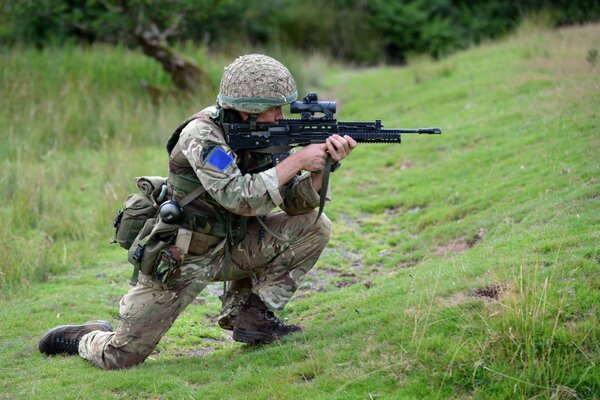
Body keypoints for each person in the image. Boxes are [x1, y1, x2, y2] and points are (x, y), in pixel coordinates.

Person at [38, 54, 357, 370]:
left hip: (235, 245)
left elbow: (290, 201)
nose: (279, 116)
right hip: (184, 255)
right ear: (247, 109)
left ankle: (252, 315)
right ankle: (83, 337)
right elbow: (238, 197)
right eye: (273, 108)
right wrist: (298, 161)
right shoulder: (201, 135)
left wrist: (318, 174)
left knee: (315, 226)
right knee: (120, 357)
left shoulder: (264, 133)